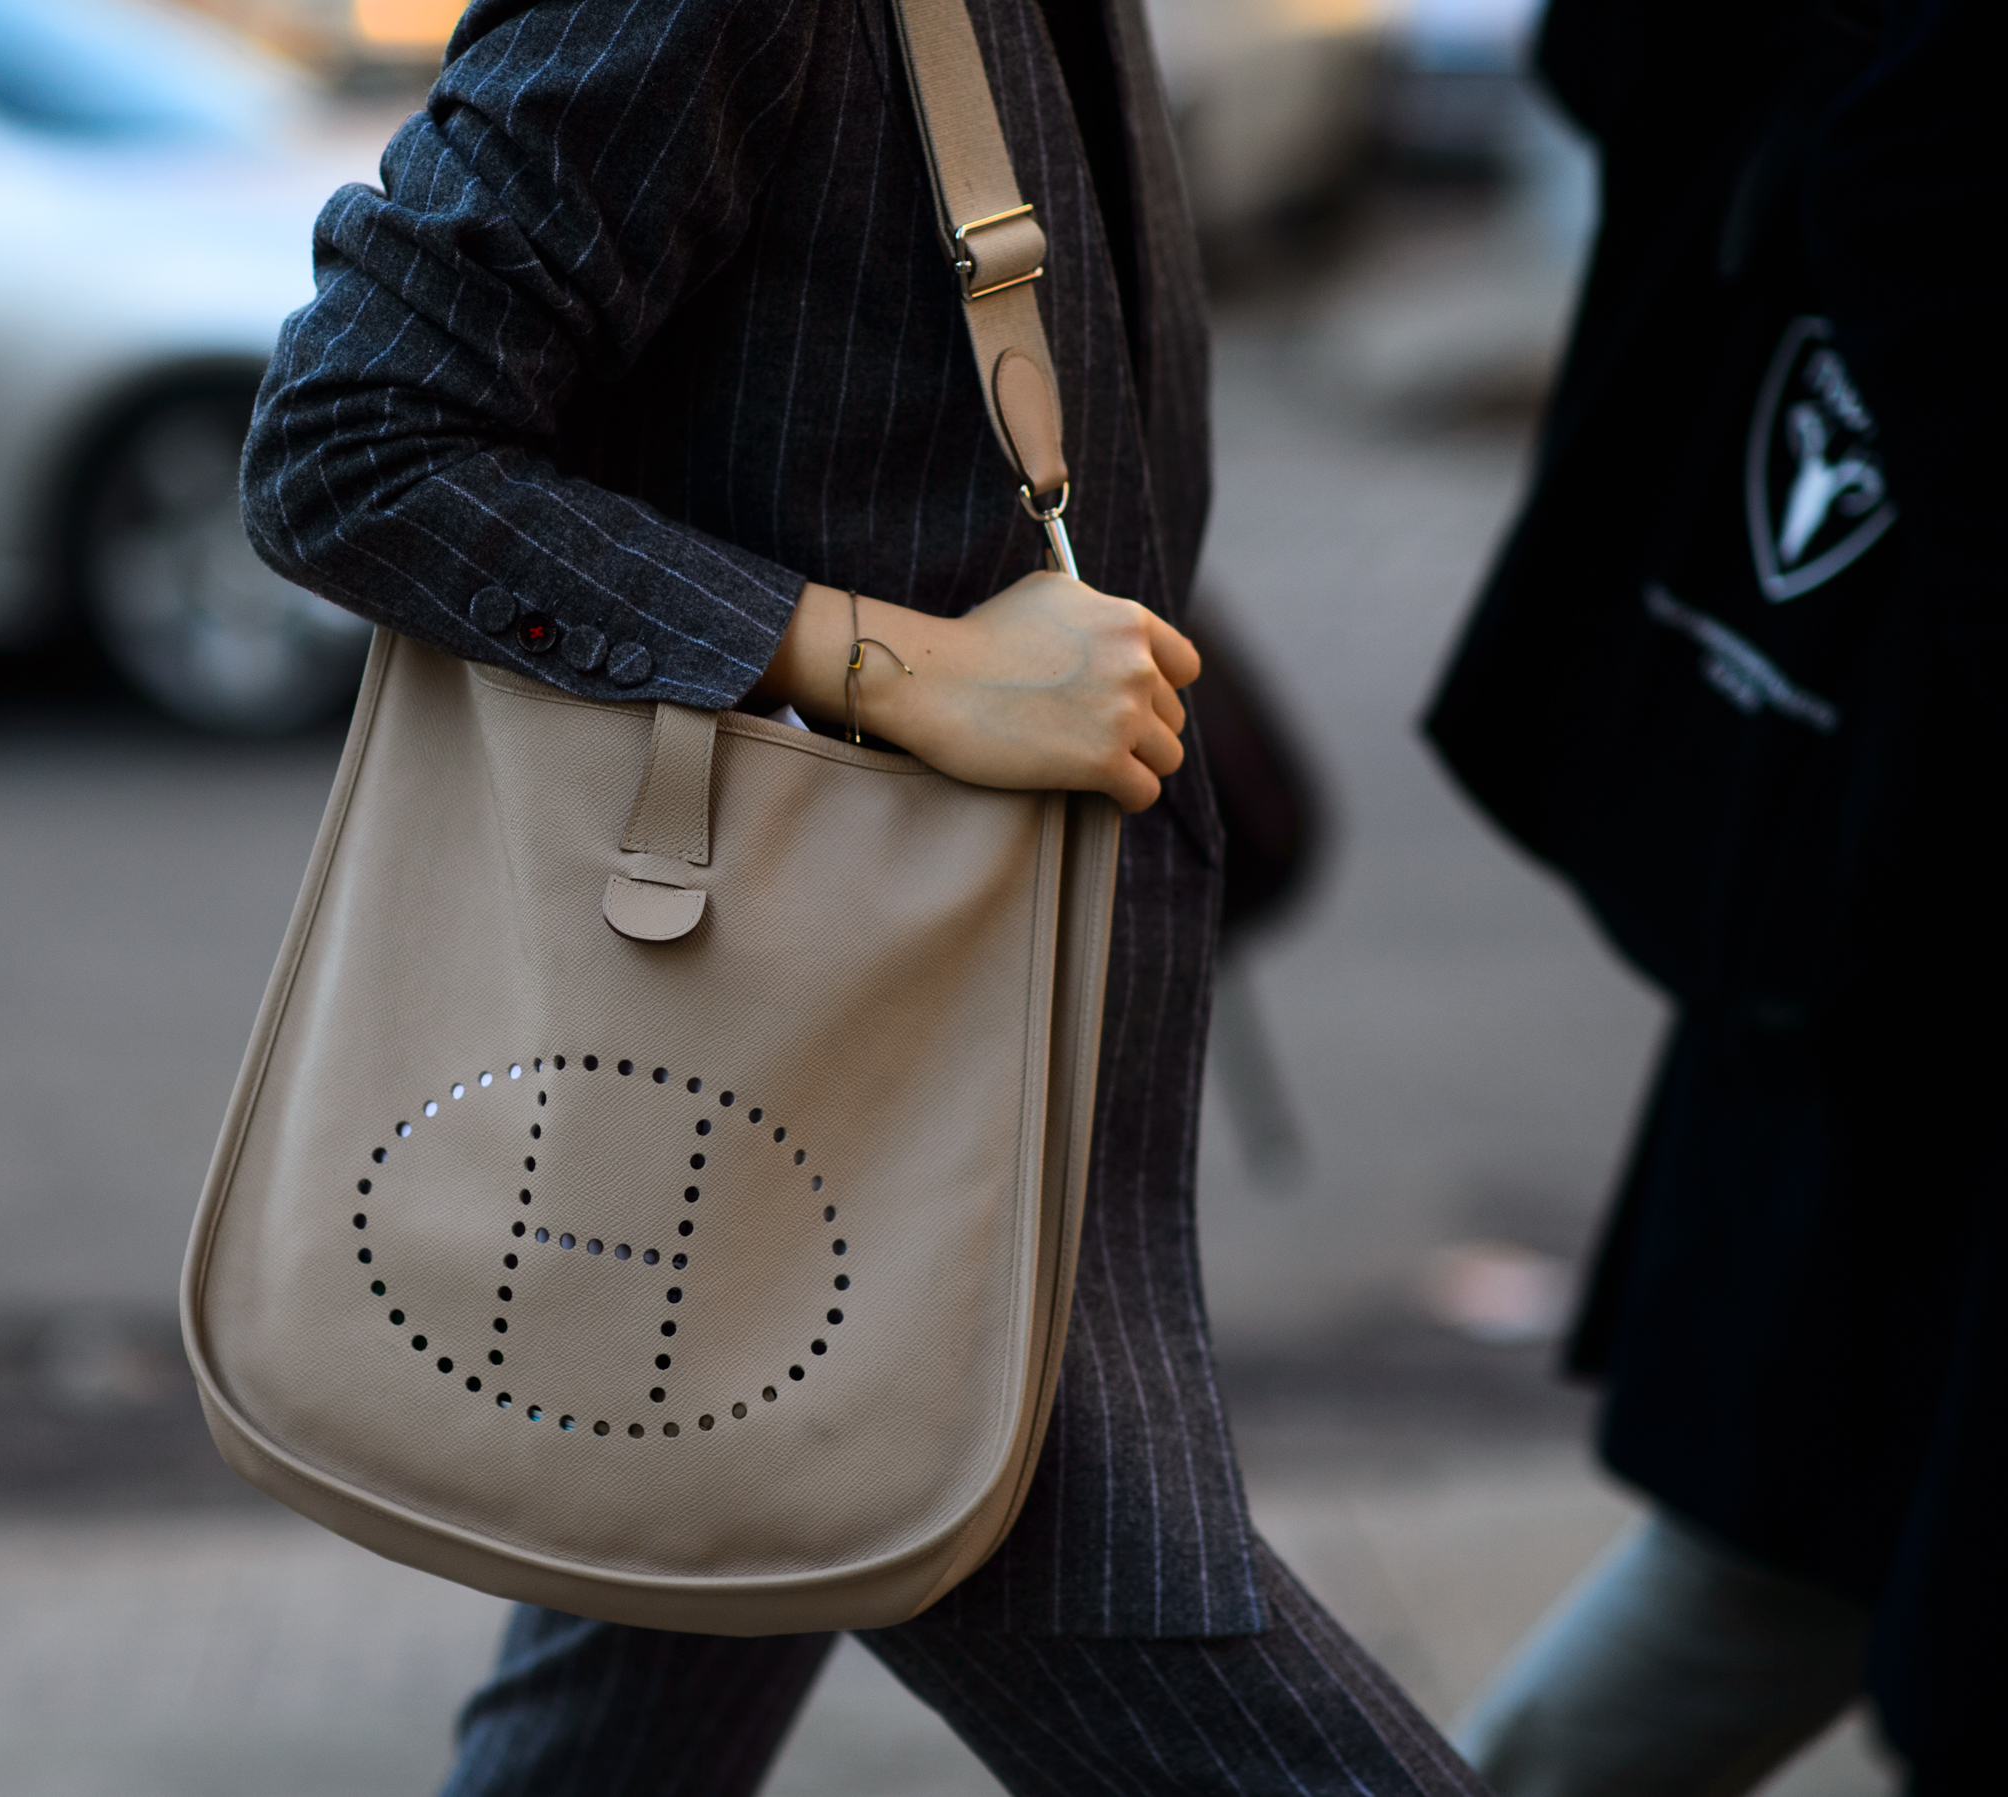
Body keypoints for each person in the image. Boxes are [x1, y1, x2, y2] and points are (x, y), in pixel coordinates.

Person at [238, 1, 1487, 1791]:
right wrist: (897, 667)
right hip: (825, 1130)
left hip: (845, 1119)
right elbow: (348, 439)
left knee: (610, 1732)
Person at [1424, 1, 2005, 1792]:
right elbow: (1905, 164)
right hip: (1918, 867)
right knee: (1809, 1529)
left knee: (1792, 1533)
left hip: (1877, 848)